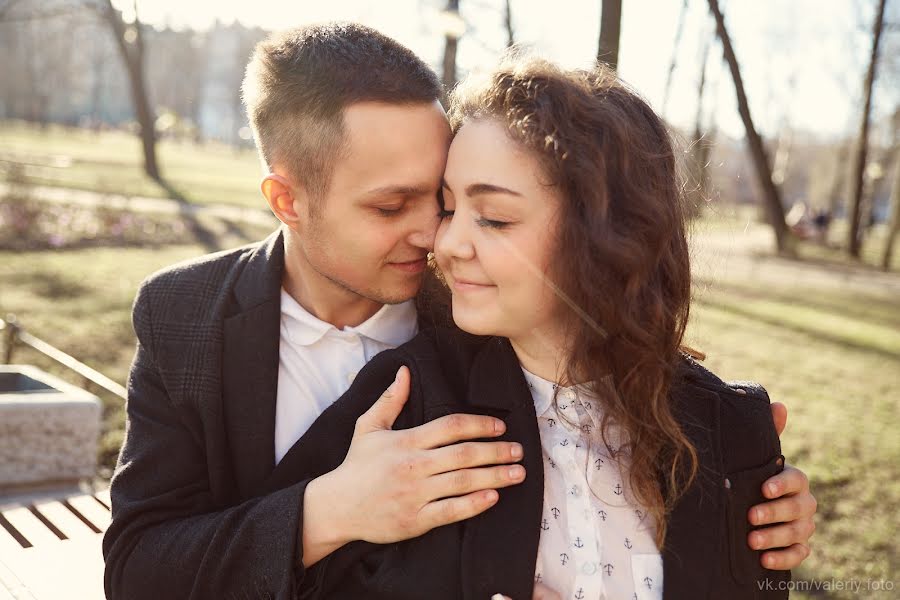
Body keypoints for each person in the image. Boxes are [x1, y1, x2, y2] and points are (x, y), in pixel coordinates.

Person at [102, 24, 816, 600]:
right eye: (391, 205)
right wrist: (328, 512)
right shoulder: (182, 317)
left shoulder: (489, 314)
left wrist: (743, 504)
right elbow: (139, 569)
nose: (437, 239)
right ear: (288, 200)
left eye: (440, 199)